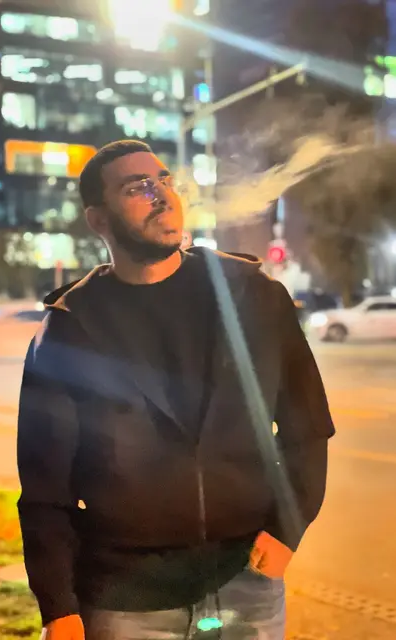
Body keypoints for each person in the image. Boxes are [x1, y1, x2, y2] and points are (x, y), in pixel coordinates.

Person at [17, 140, 335, 640]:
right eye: (137, 188)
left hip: (247, 584)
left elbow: (308, 426)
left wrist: (287, 528)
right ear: (98, 220)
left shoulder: (251, 295)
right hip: (126, 600)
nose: (161, 195)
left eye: (164, 181)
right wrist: (59, 608)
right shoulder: (71, 327)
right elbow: (44, 491)